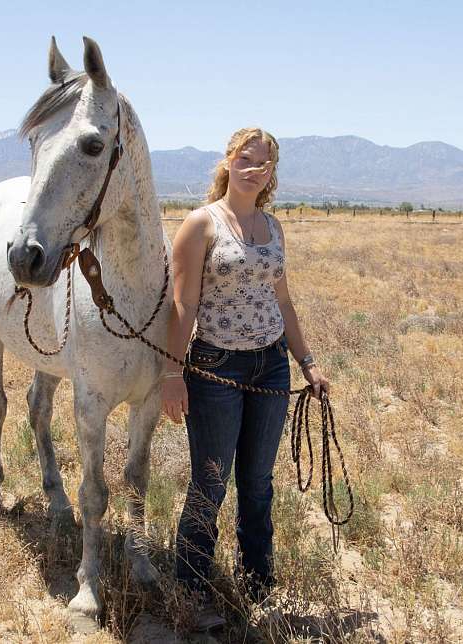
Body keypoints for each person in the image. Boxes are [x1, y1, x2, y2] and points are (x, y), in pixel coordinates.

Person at [161, 127, 330, 630]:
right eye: (246, 159)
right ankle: (190, 592)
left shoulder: (274, 227)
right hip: (216, 369)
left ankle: (258, 586)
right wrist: (173, 373)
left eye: (264, 163)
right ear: (228, 162)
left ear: (272, 174)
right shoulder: (201, 224)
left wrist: (307, 361)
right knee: (210, 483)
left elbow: (283, 301)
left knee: (257, 482)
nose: (255, 169)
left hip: (271, 366)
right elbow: (183, 305)